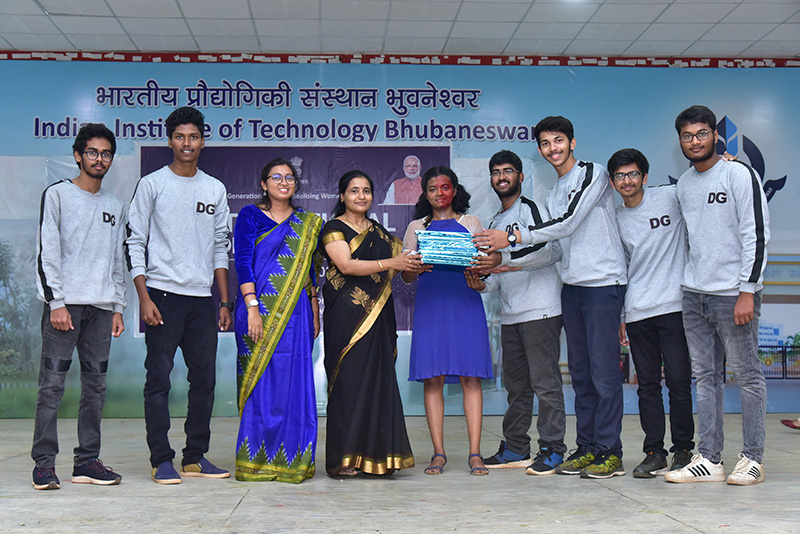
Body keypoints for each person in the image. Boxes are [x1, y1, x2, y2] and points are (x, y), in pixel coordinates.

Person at [475, 116, 628, 479]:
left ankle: (610, 451)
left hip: (602, 284)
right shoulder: (554, 193)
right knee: (582, 375)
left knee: (604, 375)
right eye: (545, 143)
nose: (552, 148)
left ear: (572, 142)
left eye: (558, 140)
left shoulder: (593, 173)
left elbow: (567, 225)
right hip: (571, 287)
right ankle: (587, 447)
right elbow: (554, 250)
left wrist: (512, 241)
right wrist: (496, 269)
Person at [125, 106, 232, 484]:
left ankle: (195, 457)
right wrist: (144, 297)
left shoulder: (215, 188)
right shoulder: (152, 184)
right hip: (162, 295)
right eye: (180, 137)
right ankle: (161, 459)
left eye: (194, 136)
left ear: (203, 141)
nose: (187, 143)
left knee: (204, 381)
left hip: (202, 300)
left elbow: (220, 248)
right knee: (159, 380)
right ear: (170, 141)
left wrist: (223, 301)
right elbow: (134, 242)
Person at [665, 105, 770, 486]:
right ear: (680, 141)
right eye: (687, 136)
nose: (695, 142)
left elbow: (755, 234)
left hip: (733, 295)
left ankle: (752, 458)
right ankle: (709, 458)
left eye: (701, 134)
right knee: (705, 377)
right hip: (694, 294)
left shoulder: (738, 174)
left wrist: (747, 290)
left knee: (748, 376)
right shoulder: (684, 184)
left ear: (715, 135)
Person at [31, 123, 126, 490]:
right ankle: (44, 464)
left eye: (105, 154)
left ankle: (87, 461)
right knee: (52, 386)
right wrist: (56, 301)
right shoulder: (57, 195)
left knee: (95, 387)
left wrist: (118, 306)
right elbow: (47, 251)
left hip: (100, 309)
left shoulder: (114, 206)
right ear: (77, 155)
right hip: (65, 308)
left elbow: (116, 261)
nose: (99, 159)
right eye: (92, 152)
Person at [465, 150, 568, 475]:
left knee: (546, 385)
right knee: (516, 387)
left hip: (541, 311)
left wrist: (504, 258)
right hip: (510, 317)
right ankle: (516, 448)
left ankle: (552, 449)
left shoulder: (532, 210)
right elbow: (498, 276)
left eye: (508, 171)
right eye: (496, 172)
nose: (502, 177)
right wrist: (482, 284)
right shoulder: (494, 223)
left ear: (520, 177)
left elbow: (550, 251)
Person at [321, 170, 421, 477]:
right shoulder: (334, 228)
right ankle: (342, 460)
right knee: (348, 386)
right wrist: (394, 262)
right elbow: (346, 265)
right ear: (342, 196)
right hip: (346, 320)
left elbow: (405, 274)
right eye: (354, 190)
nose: (361, 196)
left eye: (366, 190)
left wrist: (416, 264)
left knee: (379, 385)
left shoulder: (382, 235)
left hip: (378, 320)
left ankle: (379, 459)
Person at [233, 157, 323, 483]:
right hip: (257, 309)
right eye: (276, 177)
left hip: (297, 313)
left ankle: (292, 460)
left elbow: (310, 273)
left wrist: (315, 310)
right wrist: (252, 307)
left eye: (289, 178)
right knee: (261, 386)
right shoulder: (250, 216)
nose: (283, 182)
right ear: (263, 183)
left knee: (294, 384)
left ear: (296, 184)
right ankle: (256, 460)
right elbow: (243, 263)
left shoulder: (307, 223)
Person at [607, 148, 695, 478]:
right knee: (647, 386)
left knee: (679, 382)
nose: (627, 181)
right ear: (613, 182)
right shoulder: (616, 219)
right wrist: (621, 316)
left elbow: (701, 182)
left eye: (632, 174)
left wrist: (726, 164)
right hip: (638, 312)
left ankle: (683, 449)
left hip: (674, 307)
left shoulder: (670, 197)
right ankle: (654, 452)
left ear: (644, 177)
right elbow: (620, 268)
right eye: (620, 176)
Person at [402, 166, 493, 476]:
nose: (439, 193)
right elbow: (405, 275)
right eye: (432, 189)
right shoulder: (416, 227)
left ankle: (475, 454)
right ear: (425, 194)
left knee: (471, 378)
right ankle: (438, 453)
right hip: (431, 307)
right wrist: (415, 267)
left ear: (454, 190)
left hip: (466, 304)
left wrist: (480, 279)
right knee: (433, 378)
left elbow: (483, 268)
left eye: (445, 187)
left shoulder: (472, 223)